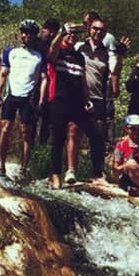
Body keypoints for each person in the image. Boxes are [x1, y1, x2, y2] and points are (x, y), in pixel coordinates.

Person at [43, 22, 100, 189]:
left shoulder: (79, 57)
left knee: (96, 134)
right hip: (59, 100)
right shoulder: (57, 51)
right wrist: (62, 31)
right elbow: (51, 52)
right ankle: (55, 175)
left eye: (74, 35)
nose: (72, 37)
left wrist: (87, 99)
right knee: (58, 139)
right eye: (69, 34)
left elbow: (83, 81)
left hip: (78, 102)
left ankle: (97, 174)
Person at [0, 19, 45, 179]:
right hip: (11, 95)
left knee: (26, 132)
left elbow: (44, 78)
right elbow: (3, 74)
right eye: (25, 32)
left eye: (31, 33)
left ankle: (23, 168)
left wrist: (41, 100)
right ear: (20, 34)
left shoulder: (39, 56)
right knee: (5, 129)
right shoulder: (11, 52)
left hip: (28, 98)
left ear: (35, 36)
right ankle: (1, 167)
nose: (27, 35)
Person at [77, 15, 115, 174]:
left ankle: (97, 173)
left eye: (102, 30)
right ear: (89, 29)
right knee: (74, 133)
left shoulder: (107, 53)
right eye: (95, 29)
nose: (98, 32)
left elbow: (114, 72)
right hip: (78, 97)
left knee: (98, 137)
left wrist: (119, 55)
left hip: (98, 97)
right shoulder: (79, 47)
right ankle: (71, 170)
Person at [35, 18, 61, 145]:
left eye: (54, 32)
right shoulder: (36, 43)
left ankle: (43, 148)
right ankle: (30, 151)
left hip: (50, 87)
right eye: (49, 30)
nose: (51, 34)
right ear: (43, 29)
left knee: (47, 121)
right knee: (31, 122)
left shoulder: (56, 46)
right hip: (35, 86)